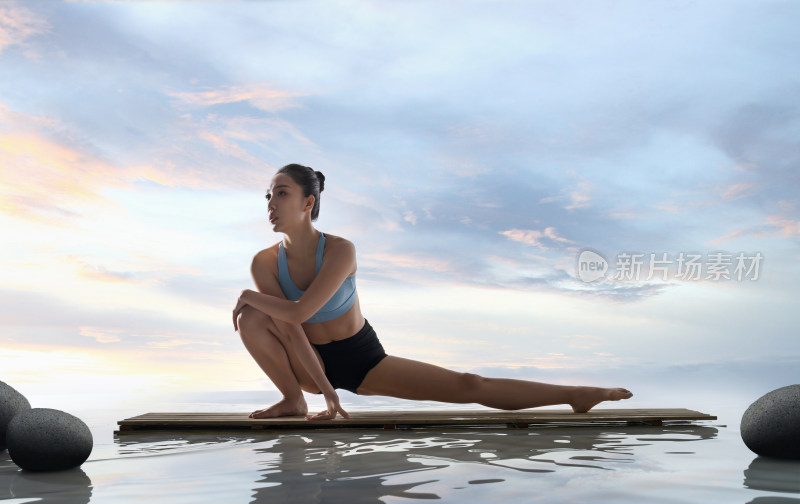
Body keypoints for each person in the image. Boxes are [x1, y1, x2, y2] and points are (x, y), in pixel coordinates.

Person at [233, 164, 632, 420]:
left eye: (281, 192)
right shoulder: (264, 263)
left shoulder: (340, 250)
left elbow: (300, 311)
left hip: (361, 357)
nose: (271, 201)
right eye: (268, 194)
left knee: (469, 385)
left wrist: (249, 296)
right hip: (306, 362)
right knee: (254, 317)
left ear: (308, 201)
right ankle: (291, 400)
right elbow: (290, 330)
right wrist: (322, 394)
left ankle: (575, 394)